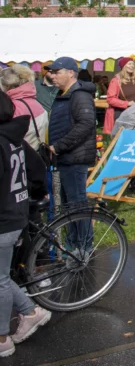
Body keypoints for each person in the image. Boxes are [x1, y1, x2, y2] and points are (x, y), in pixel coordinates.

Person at [0, 91, 51, 356]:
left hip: (4, 219)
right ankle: (30, 311)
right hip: (17, 212)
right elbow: (36, 167)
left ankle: (2, 339)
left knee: (0, 279)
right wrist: (39, 191)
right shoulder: (15, 138)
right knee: (3, 277)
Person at [46, 57, 96, 253]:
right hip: (66, 157)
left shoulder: (79, 95)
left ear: (70, 73)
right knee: (70, 206)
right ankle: (73, 244)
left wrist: (58, 146)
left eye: (56, 72)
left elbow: (85, 125)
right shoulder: (64, 94)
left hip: (75, 157)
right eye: (51, 72)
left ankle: (84, 247)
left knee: (77, 204)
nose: (52, 75)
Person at [0, 65, 48, 151]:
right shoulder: (37, 104)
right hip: (36, 156)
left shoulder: (12, 107)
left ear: (7, 86)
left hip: (19, 158)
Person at [104, 57, 135, 135]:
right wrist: (127, 104)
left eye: (133, 64)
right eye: (129, 64)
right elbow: (110, 99)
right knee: (124, 139)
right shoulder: (116, 81)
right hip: (122, 115)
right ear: (123, 66)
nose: (132, 66)